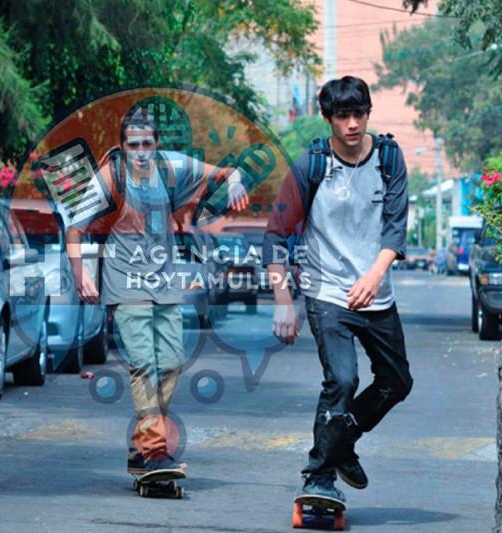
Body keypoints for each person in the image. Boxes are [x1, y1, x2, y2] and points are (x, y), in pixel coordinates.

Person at [65, 106, 249, 475]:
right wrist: (81, 273)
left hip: (164, 279)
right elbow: (75, 228)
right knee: (144, 364)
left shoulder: (171, 166)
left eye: (148, 143)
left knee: (170, 362)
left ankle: (141, 449)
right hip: (124, 280)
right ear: (123, 146)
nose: (141, 151)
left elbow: (227, 172)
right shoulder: (109, 177)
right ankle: (153, 450)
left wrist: (236, 181)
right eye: (133, 144)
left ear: (157, 144)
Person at [263, 76, 414, 502]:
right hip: (326, 290)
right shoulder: (311, 164)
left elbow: (395, 226)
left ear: (369, 113)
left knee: (397, 381)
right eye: (342, 116)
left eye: (359, 114)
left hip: (375, 292)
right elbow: (276, 235)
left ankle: (342, 439)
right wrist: (282, 302)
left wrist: (374, 275)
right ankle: (319, 475)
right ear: (328, 118)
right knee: (343, 380)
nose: (352, 124)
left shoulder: (388, 156)